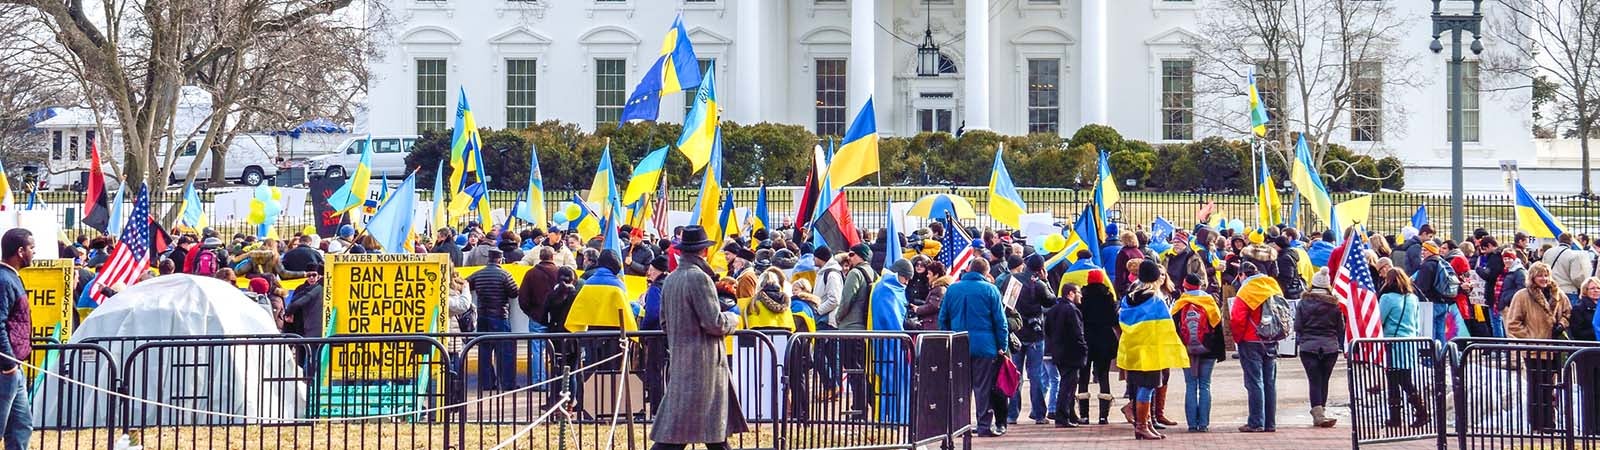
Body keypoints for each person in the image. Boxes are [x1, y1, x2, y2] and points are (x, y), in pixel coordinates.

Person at [650, 226, 748, 450]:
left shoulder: (671, 280)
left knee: (687, 431)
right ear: (703, 252)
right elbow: (714, 322)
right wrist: (733, 319)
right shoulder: (700, 279)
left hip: (680, 361)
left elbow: (664, 323)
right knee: (702, 431)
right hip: (704, 367)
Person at [1117, 260, 1190, 440]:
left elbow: (1120, 321)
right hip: (1151, 349)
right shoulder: (1156, 300)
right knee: (1147, 387)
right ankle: (1142, 425)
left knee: (1137, 386)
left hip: (1132, 348)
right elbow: (1167, 328)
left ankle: (1145, 424)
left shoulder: (1128, 297)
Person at [940, 258, 1010, 437]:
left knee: (961, 388)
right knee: (983, 388)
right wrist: (1002, 345)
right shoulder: (991, 290)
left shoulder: (953, 289)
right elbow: (1000, 322)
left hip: (958, 343)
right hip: (985, 346)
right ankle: (984, 426)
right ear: (986, 273)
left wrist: (947, 338)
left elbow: (943, 318)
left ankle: (961, 426)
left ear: (969, 269)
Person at [1505, 261, 1574, 432]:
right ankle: (1537, 423)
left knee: (1551, 387)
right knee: (1536, 387)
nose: (1544, 279)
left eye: (1546, 275)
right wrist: (1531, 339)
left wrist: (1562, 325)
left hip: (1555, 348)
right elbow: (1513, 323)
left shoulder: (1558, 294)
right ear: (1532, 277)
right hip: (1535, 351)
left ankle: (1550, 422)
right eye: (1540, 275)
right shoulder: (1522, 296)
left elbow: (1568, 312)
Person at [1230, 262, 1280, 433]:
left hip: (1251, 339)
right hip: (1272, 337)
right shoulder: (1272, 284)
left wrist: (1238, 339)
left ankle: (1256, 421)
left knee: (1254, 382)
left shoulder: (1246, 290)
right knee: (1270, 382)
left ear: (1243, 274)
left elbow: (1237, 318)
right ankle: (1270, 422)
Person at [1377, 267, 1430, 428]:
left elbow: (1380, 319)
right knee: (1405, 379)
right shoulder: (1412, 298)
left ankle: (1412, 414)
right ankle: (1418, 412)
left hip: (1393, 343)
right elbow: (1415, 322)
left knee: (1396, 381)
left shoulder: (1387, 298)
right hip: (1409, 343)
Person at [1008, 254, 1056, 425]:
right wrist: (1047, 281)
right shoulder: (1039, 284)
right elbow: (1052, 301)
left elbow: (1007, 305)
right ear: (1041, 268)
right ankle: (1038, 414)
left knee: (1015, 374)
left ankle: (1012, 414)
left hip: (1016, 333)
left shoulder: (1013, 280)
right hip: (1035, 334)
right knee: (1035, 375)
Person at [1171, 274, 1223, 432]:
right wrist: (1220, 353)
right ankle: (1204, 424)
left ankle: (1192, 425)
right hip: (1208, 350)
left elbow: (1174, 329)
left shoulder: (1180, 304)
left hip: (1187, 350)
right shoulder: (1209, 303)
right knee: (1205, 386)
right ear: (1201, 286)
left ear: (1185, 287)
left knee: (1190, 385)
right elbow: (1218, 329)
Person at [1296, 268, 1344, 428]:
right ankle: (1321, 411)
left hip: (1309, 347)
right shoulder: (1335, 305)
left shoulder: (1303, 303)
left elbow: (1298, 326)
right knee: (1324, 380)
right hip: (1330, 347)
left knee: (1314, 380)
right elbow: (1340, 329)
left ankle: (1318, 414)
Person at [468, 248, 519, 391]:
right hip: (500, 316)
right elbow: (514, 293)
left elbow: (466, 284)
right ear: (500, 260)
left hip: (483, 315)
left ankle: (487, 383)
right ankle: (507, 383)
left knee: (484, 350)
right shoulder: (504, 274)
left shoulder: (479, 274)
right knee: (505, 351)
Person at [0, 229, 32, 449]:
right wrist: (8, 364)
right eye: (31, 247)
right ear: (20, 251)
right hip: (5, 368)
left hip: (14, 368)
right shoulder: (3, 280)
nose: (34, 252)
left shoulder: (12, 277)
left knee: (21, 426)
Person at [1075, 269, 1120, 425]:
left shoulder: (1082, 297)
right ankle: (1103, 416)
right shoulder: (1108, 298)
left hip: (1085, 340)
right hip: (1104, 341)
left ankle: (1084, 415)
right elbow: (1114, 320)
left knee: (1084, 377)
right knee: (1103, 376)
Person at [1044, 283, 1087, 428]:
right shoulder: (1072, 310)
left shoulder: (1053, 310)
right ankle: (1062, 416)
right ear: (1070, 293)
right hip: (1072, 352)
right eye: (1078, 292)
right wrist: (1083, 348)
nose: (1080, 296)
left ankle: (1070, 414)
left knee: (1068, 383)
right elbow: (1077, 332)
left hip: (1058, 352)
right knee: (1067, 386)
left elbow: (1048, 330)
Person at [1542, 233, 1593, 305]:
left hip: (1551, 289)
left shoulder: (1548, 252)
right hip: (1568, 291)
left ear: (1559, 240)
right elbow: (1576, 277)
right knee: (1569, 314)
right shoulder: (1574, 255)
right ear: (1571, 241)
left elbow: (1543, 270)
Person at [911, 261, 951, 330]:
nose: (927, 276)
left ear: (936, 275)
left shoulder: (939, 289)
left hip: (933, 327)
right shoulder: (940, 288)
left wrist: (918, 309)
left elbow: (933, 306)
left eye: (929, 274)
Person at [1573, 277, 1600, 341]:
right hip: (1587, 346)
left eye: (1598, 288)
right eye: (1592, 288)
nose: (1596, 290)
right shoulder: (1578, 309)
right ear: (1585, 290)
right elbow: (1577, 332)